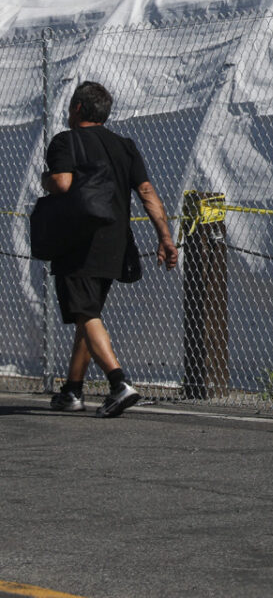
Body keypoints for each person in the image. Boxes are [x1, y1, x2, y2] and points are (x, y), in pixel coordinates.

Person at [42, 80, 178, 417]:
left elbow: (61, 183)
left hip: (78, 241)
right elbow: (146, 191)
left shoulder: (65, 141)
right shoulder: (124, 146)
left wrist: (47, 180)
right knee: (88, 315)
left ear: (76, 108)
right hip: (116, 243)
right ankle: (72, 390)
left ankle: (119, 384)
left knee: (85, 314)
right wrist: (165, 236)